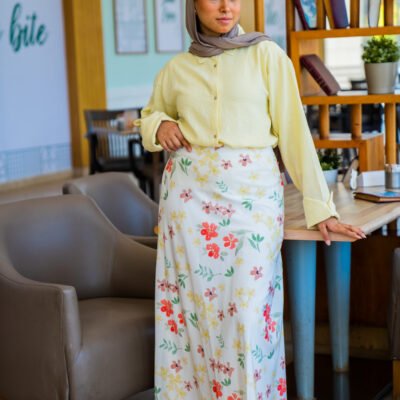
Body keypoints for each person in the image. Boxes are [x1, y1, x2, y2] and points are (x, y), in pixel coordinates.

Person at [137, 1, 366, 398]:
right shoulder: (176, 69)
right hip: (189, 206)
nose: (226, 6)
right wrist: (160, 125)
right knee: (193, 315)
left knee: (248, 315)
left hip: (252, 202)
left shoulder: (267, 56)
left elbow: (295, 134)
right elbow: (149, 115)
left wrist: (321, 208)